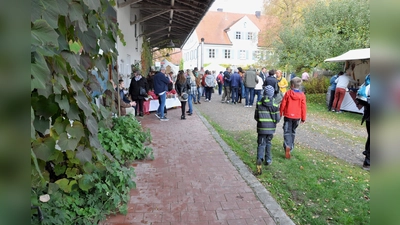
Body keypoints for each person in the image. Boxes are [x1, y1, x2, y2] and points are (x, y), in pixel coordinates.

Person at [254, 85, 280, 174]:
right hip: (271, 128)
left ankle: (259, 159)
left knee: (261, 144)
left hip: (261, 128)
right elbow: (277, 118)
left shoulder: (259, 103)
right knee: (268, 143)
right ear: (272, 94)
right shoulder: (275, 104)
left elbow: (256, 116)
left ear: (264, 93)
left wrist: (260, 121)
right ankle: (268, 160)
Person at [280, 77, 307, 159]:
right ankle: (290, 147)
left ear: (292, 85)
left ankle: (287, 146)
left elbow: (283, 104)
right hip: (297, 116)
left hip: (288, 115)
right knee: (293, 131)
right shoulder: (302, 95)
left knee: (287, 131)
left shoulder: (288, 93)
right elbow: (303, 107)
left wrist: (280, 113)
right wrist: (303, 118)